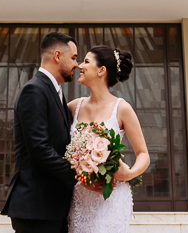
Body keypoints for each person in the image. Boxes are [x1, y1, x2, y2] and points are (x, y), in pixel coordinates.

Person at [66, 45, 150, 233]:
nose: (80, 66)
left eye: (86, 61)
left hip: (111, 196)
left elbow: (143, 154)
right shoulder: (73, 107)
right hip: (80, 195)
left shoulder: (122, 108)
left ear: (101, 70)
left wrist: (128, 174)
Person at [2, 32, 79, 233]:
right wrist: (79, 176)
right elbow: (39, 149)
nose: (77, 65)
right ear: (57, 56)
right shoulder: (34, 90)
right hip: (36, 208)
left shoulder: (55, 92)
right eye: (73, 58)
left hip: (52, 207)